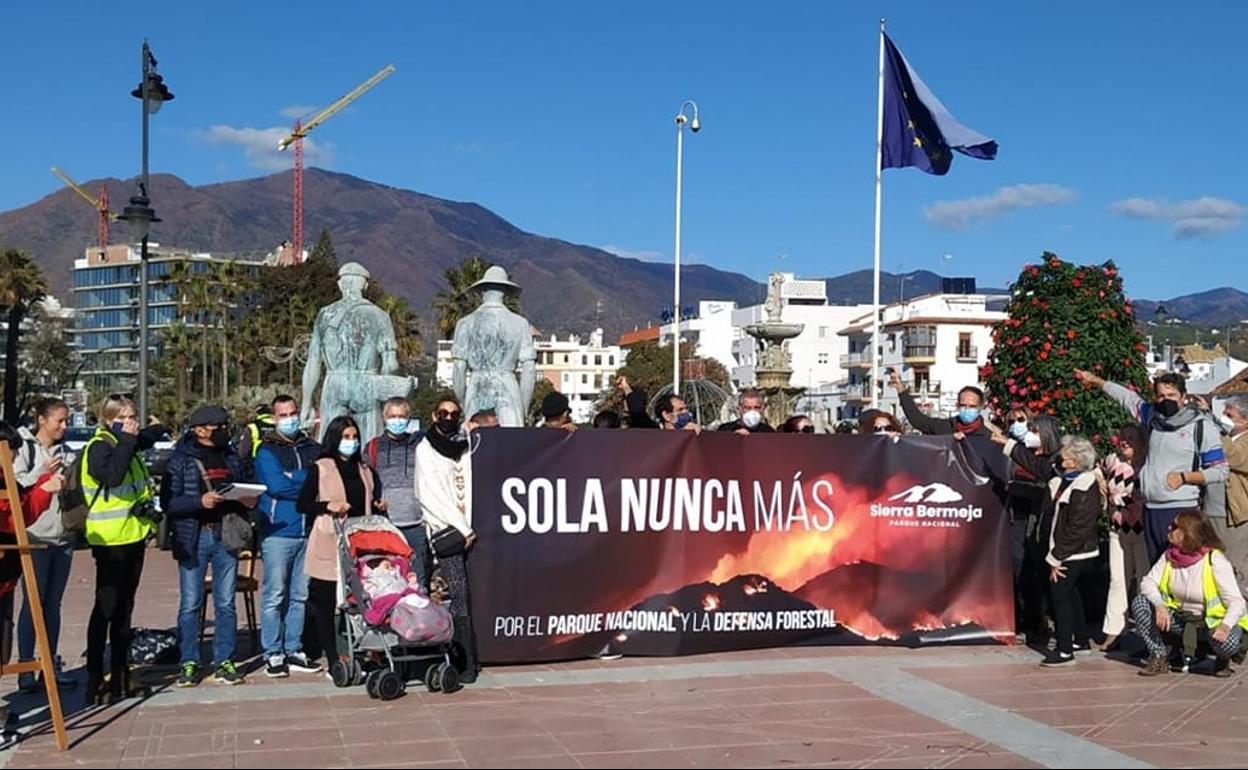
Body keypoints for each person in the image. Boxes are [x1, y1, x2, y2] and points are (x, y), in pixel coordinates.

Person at [1077, 370, 1229, 563]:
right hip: (1150, 509)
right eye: (1161, 396)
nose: (1166, 400)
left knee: (1179, 568)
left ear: (1183, 396)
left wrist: (1184, 477)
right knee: (1156, 569)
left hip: (1180, 509)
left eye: (1171, 395)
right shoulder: (1152, 416)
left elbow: (1220, 471)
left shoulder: (1201, 426)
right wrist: (1096, 380)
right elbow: (1127, 398)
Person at [161, 405, 255, 688]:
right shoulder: (180, 460)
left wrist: (248, 498)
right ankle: (189, 661)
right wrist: (198, 502)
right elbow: (168, 503)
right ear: (200, 430)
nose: (224, 430)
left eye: (226, 425)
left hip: (226, 534)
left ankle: (224, 659)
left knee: (226, 602)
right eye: (218, 427)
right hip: (195, 536)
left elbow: (247, 482)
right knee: (191, 602)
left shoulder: (231, 456)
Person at [994, 427, 1102, 666]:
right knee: (1072, 592)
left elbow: (1078, 528)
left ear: (1075, 460)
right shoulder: (1060, 477)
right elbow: (1034, 464)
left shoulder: (1085, 486)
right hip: (1060, 549)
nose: (1060, 457)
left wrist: (1056, 557)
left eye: (1065, 454)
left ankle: (1064, 651)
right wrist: (1007, 444)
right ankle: (1080, 640)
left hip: (1073, 553)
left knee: (1060, 595)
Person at [82, 394, 163, 703]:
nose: (130, 423)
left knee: (125, 608)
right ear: (107, 420)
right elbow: (112, 475)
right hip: (109, 540)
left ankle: (121, 673)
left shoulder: (128, 443)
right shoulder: (100, 446)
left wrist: (155, 428)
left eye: (133, 417)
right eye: (123, 418)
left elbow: (146, 439)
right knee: (105, 607)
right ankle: (95, 676)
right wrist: (128, 441)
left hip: (133, 535)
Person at [297, 416, 385, 671]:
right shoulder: (321, 467)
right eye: (346, 437)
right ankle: (334, 656)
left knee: (360, 599)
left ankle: (366, 652)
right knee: (326, 602)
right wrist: (328, 505)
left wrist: (378, 505)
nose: (351, 442)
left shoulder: (365, 469)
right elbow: (303, 503)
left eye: (355, 437)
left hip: (359, 541)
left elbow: (372, 499)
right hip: (329, 539)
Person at [0, 421, 61, 743]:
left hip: (5, 578)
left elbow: (19, 503)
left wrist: (41, 484)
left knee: (2, 647)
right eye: (10, 451)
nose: (12, 458)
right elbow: (14, 515)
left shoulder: (5, 477)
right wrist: (43, 490)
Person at [254, 395, 323, 679]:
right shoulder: (266, 450)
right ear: (274, 418)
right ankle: (273, 652)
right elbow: (277, 486)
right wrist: (306, 483)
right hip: (278, 531)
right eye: (283, 415)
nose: (290, 419)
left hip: (308, 531)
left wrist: (296, 478)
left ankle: (294, 648)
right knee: (275, 594)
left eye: (293, 413)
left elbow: (322, 479)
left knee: (300, 595)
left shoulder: (312, 447)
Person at [1134, 511, 1248, 677]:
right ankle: (1159, 657)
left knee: (1228, 643)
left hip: (1210, 623)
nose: (1169, 528)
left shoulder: (1215, 560)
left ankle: (1223, 659)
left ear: (1189, 533)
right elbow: (1147, 582)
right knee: (1140, 603)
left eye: (1175, 527)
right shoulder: (1169, 555)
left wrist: (1225, 626)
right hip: (1180, 620)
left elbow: (1237, 602)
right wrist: (1159, 606)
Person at [12, 398, 76, 692]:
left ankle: (49, 665)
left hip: (63, 536)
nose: (64, 426)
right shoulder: (23, 447)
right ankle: (26, 667)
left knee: (53, 604)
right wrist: (43, 473)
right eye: (59, 420)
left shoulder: (67, 451)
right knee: (33, 603)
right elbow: (16, 487)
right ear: (42, 420)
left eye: (66, 420)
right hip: (35, 536)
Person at [414, 396, 479, 683]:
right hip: (448, 531)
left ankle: (465, 657)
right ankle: (463, 662)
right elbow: (431, 495)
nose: (448, 418)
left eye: (454, 414)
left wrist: (473, 432)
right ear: (433, 415)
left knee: (467, 593)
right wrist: (463, 529)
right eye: (443, 413)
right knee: (457, 593)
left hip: (470, 528)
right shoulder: (425, 450)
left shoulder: (463, 446)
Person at [365, 397, 429, 588]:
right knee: (387, 582)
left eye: (402, 416)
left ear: (409, 418)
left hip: (416, 524)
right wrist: (374, 502)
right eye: (393, 416)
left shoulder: (419, 444)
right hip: (386, 524)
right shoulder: (373, 447)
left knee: (419, 581)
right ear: (384, 418)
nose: (397, 420)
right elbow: (365, 481)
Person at [1098, 425, 1149, 651]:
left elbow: (1142, 496)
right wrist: (1100, 480)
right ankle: (1114, 630)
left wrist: (1117, 500)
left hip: (1141, 531)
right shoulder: (1112, 460)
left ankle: (1148, 634)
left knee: (1144, 583)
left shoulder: (1147, 465)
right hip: (1117, 530)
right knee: (1117, 581)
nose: (1125, 442)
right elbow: (1094, 466)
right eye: (1123, 438)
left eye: (1131, 438)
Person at [889, 370, 990, 436]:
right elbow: (918, 421)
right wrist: (900, 388)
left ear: (980, 407)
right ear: (957, 406)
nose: (967, 409)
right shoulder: (945, 427)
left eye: (972, 406)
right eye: (963, 405)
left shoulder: (988, 434)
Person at [1222, 396, 1248, 584]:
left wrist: (1220, 431)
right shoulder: (1229, 438)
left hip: (1237, 513)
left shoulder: (1244, 441)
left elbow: (1235, 458)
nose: (1224, 418)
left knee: (1234, 566)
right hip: (1216, 511)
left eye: (1229, 415)